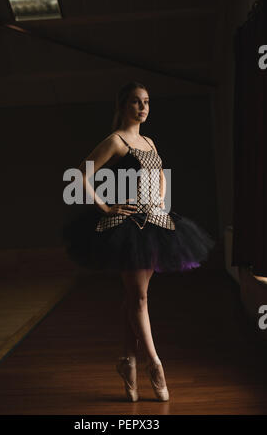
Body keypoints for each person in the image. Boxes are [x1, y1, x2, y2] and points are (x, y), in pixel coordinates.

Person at [62, 81, 216, 402]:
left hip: (152, 223)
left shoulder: (148, 141)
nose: (142, 107)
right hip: (126, 226)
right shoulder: (116, 141)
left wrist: (159, 200)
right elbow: (80, 173)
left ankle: (127, 363)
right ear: (122, 106)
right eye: (135, 102)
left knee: (134, 298)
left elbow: (159, 173)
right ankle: (154, 363)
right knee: (140, 299)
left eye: (146, 102)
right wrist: (106, 206)